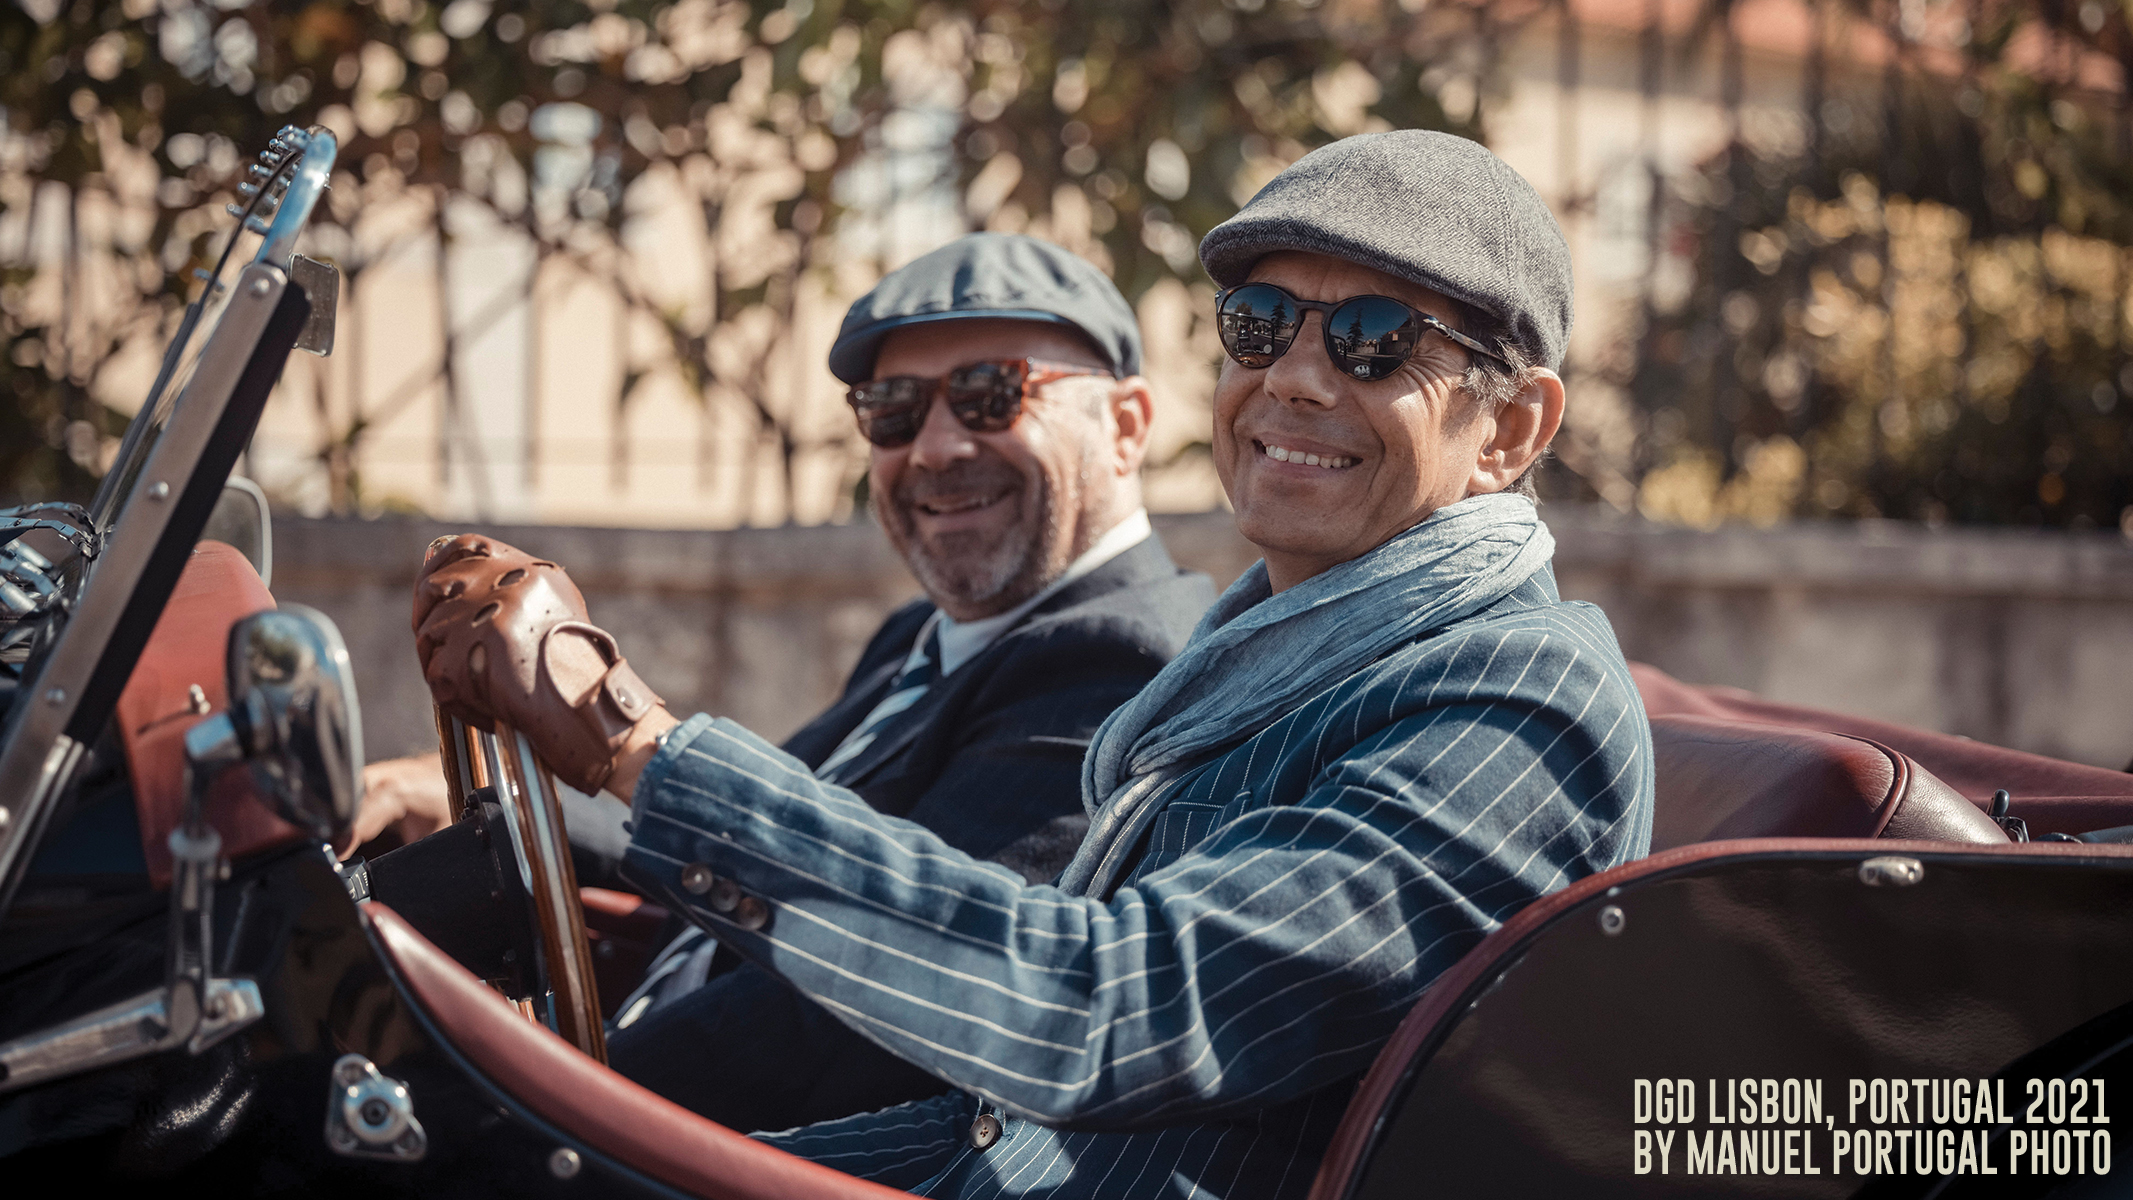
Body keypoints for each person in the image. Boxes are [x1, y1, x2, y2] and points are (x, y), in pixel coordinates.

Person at [411, 130, 1655, 1199]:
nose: (1292, 378)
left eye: (1376, 340)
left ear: (1510, 429)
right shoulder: (1259, 664)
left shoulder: (1518, 698)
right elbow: (995, 1128)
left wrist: (630, 738)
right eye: (1261, 325)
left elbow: (1105, 1010)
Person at [373, 233, 1216, 1133]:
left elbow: (851, 1014)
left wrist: (492, 1118)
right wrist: (483, 803)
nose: (934, 447)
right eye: (891, 409)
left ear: (1125, 426)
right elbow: (755, 856)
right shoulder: (925, 636)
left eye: (988, 394)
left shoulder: (1122, 662)